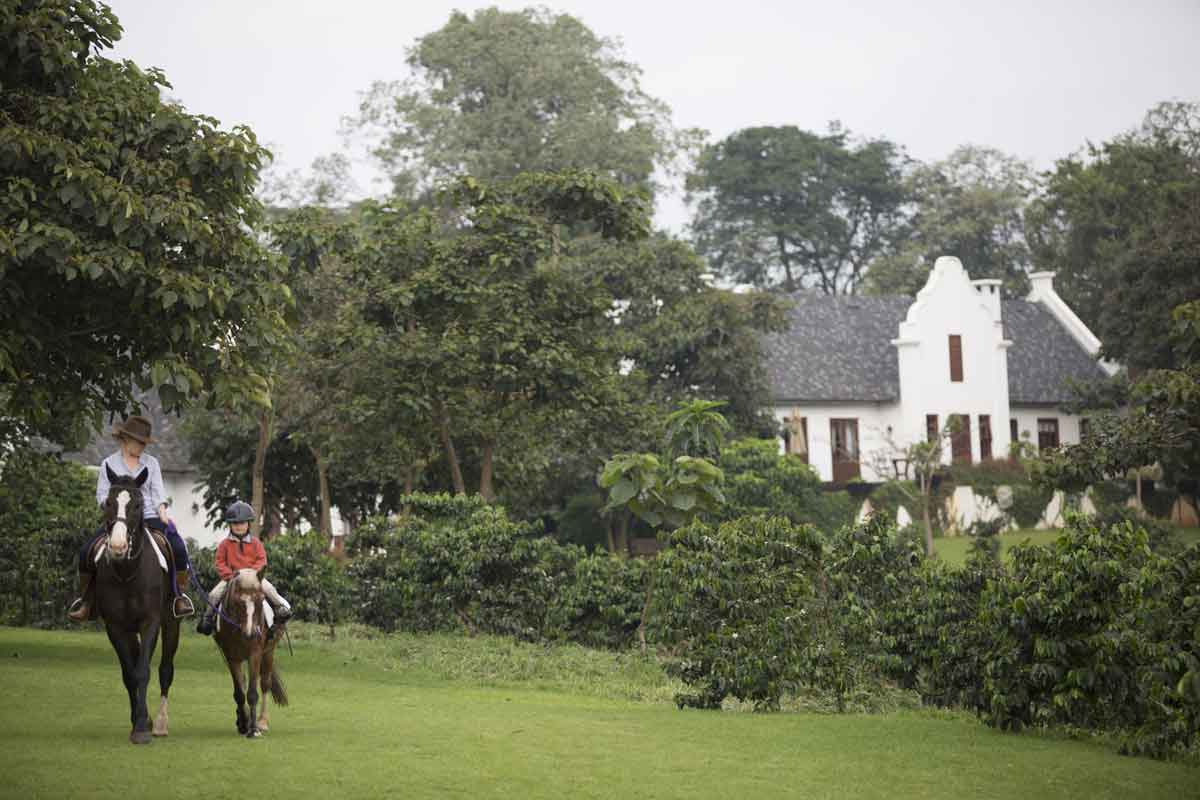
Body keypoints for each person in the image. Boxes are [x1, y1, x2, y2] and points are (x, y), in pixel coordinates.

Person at [68, 414, 196, 621]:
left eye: (144, 443)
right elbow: (102, 494)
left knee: (179, 549)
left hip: (149, 517)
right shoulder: (108, 464)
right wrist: (114, 509)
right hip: (118, 519)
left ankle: (178, 598)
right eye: (139, 442)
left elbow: (158, 493)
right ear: (125, 440)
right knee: (86, 552)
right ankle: (87, 601)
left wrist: (163, 511)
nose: (142, 447)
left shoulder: (151, 463)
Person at [196, 500, 293, 635]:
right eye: (235, 523)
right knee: (214, 594)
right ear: (230, 525)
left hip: (253, 578)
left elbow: (262, 560)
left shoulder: (256, 543)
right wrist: (230, 576)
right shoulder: (224, 544)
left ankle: (279, 609)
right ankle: (207, 619)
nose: (239, 526)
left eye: (242, 523)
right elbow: (220, 562)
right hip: (232, 578)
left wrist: (254, 574)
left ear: (248, 524)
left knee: (269, 588)